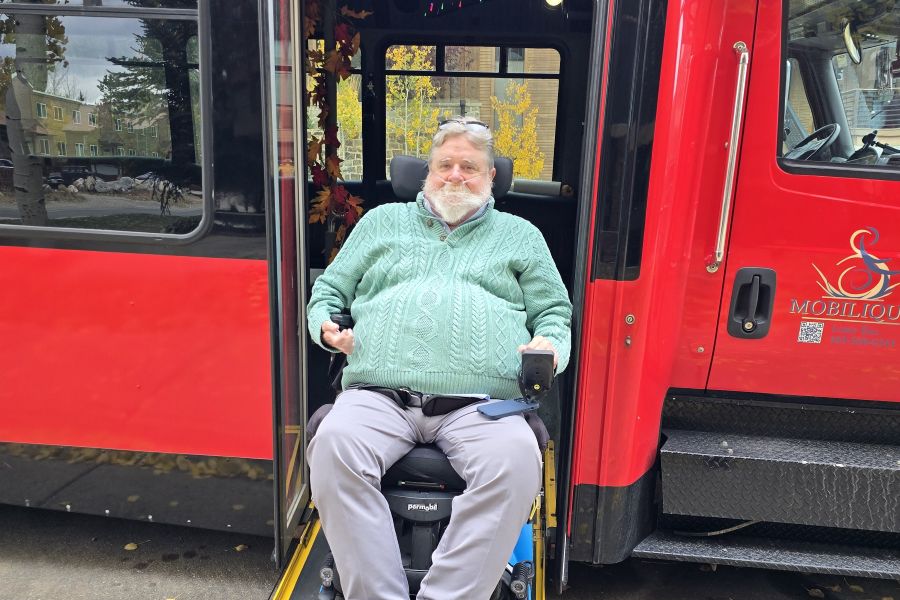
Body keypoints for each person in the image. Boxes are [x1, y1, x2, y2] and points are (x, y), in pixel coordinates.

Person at [306, 116, 572, 599]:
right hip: (378, 396)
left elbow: (554, 312)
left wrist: (550, 347)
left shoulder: (521, 235)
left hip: (481, 404)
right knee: (333, 444)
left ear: (491, 176)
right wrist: (326, 327)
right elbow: (328, 289)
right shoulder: (381, 222)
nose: (454, 175)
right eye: (444, 165)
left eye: (468, 166)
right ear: (426, 172)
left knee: (516, 461)